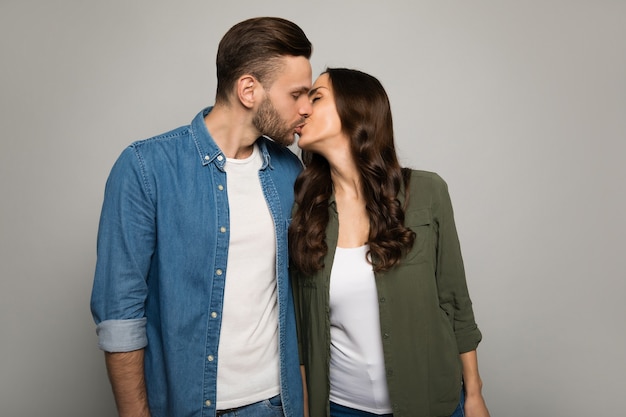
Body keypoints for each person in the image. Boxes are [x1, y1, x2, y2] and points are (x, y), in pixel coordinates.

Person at [90, 17, 313, 417]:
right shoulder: (146, 168)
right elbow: (120, 318)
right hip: (195, 408)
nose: (305, 108)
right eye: (296, 94)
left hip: (280, 405)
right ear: (248, 89)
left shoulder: (289, 172)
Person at [289, 68, 491, 417]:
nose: (302, 108)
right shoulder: (305, 210)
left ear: (355, 109)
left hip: (431, 403)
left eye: (316, 97)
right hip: (340, 408)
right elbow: (301, 328)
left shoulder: (427, 193)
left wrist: (473, 394)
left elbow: (455, 301)